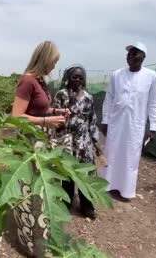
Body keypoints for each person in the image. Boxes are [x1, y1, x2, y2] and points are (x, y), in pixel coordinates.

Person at [10, 40, 70, 257]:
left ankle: (43, 239)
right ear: (45, 59)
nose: (54, 67)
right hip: (29, 144)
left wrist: (56, 110)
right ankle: (30, 244)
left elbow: (38, 108)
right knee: (32, 191)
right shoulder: (27, 81)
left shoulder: (39, 82)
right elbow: (16, 117)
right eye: (53, 62)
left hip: (40, 142)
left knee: (42, 191)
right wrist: (47, 121)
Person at [101, 41, 156, 201]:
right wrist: (105, 120)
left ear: (143, 57)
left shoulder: (151, 76)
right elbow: (109, 98)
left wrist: (153, 127)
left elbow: (153, 102)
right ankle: (107, 185)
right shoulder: (117, 74)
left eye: (134, 53)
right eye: (129, 53)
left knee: (130, 156)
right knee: (112, 153)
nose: (130, 56)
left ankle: (125, 190)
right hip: (116, 122)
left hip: (136, 124)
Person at [53, 65, 100, 219]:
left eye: (80, 77)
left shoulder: (88, 97)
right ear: (68, 78)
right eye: (75, 76)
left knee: (85, 174)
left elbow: (92, 121)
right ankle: (66, 203)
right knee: (67, 173)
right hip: (66, 140)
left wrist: (95, 141)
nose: (78, 80)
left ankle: (87, 206)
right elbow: (54, 117)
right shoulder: (61, 95)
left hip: (83, 141)